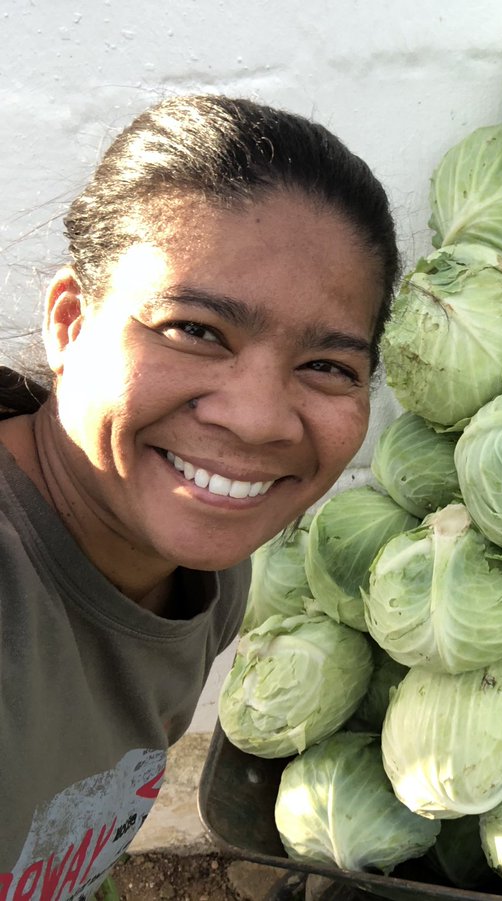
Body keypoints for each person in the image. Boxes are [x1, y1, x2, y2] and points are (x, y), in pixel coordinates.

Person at [0, 94, 399, 899]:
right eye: (195, 329)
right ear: (71, 321)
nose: (255, 420)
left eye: (327, 365)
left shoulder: (210, 573)